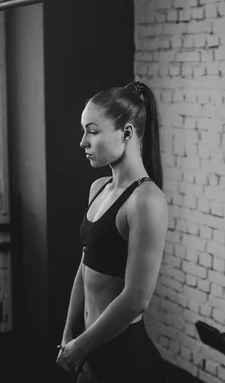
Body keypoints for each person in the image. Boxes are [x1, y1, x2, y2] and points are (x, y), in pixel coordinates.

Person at [56, 81, 169, 382]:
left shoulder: (146, 200)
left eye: (92, 131)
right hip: (91, 350)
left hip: (125, 359)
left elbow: (135, 300)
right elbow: (85, 268)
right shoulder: (98, 189)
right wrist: (70, 335)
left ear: (127, 133)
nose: (83, 141)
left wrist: (81, 345)